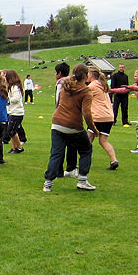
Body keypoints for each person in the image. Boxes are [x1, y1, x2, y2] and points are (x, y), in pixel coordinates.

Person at [43, 64, 98, 192]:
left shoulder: (66, 86)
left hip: (56, 123)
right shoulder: (86, 91)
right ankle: (82, 180)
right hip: (73, 125)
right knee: (86, 149)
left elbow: (58, 102)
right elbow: (87, 113)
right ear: (85, 75)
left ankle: (48, 183)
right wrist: (93, 128)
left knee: (56, 153)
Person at [87, 68, 119, 170]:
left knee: (88, 140)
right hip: (109, 117)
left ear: (91, 75)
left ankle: (83, 162)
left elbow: (81, 94)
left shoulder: (92, 86)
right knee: (103, 140)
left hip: (98, 117)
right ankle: (114, 160)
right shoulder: (103, 85)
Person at [2, 69, 27, 154]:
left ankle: (19, 147)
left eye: (6, 76)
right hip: (12, 112)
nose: (4, 78)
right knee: (12, 131)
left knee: (11, 131)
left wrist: (8, 100)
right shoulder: (10, 87)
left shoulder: (15, 87)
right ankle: (14, 148)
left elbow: (17, 98)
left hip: (17, 113)